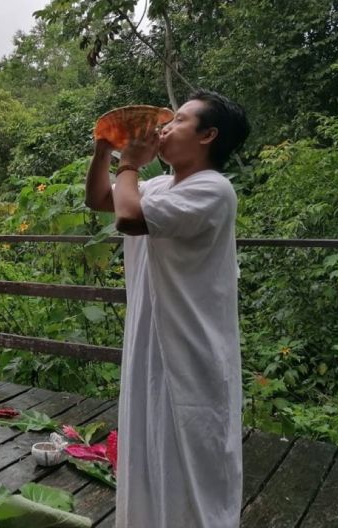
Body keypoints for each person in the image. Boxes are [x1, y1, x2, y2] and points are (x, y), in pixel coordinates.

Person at [85, 90, 250, 528]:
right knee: (149, 445)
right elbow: (102, 199)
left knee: (192, 458)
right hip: (152, 343)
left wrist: (130, 163)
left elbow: (128, 218)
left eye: (177, 120)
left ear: (208, 135)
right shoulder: (161, 185)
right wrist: (106, 147)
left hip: (191, 349)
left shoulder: (213, 189)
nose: (164, 128)